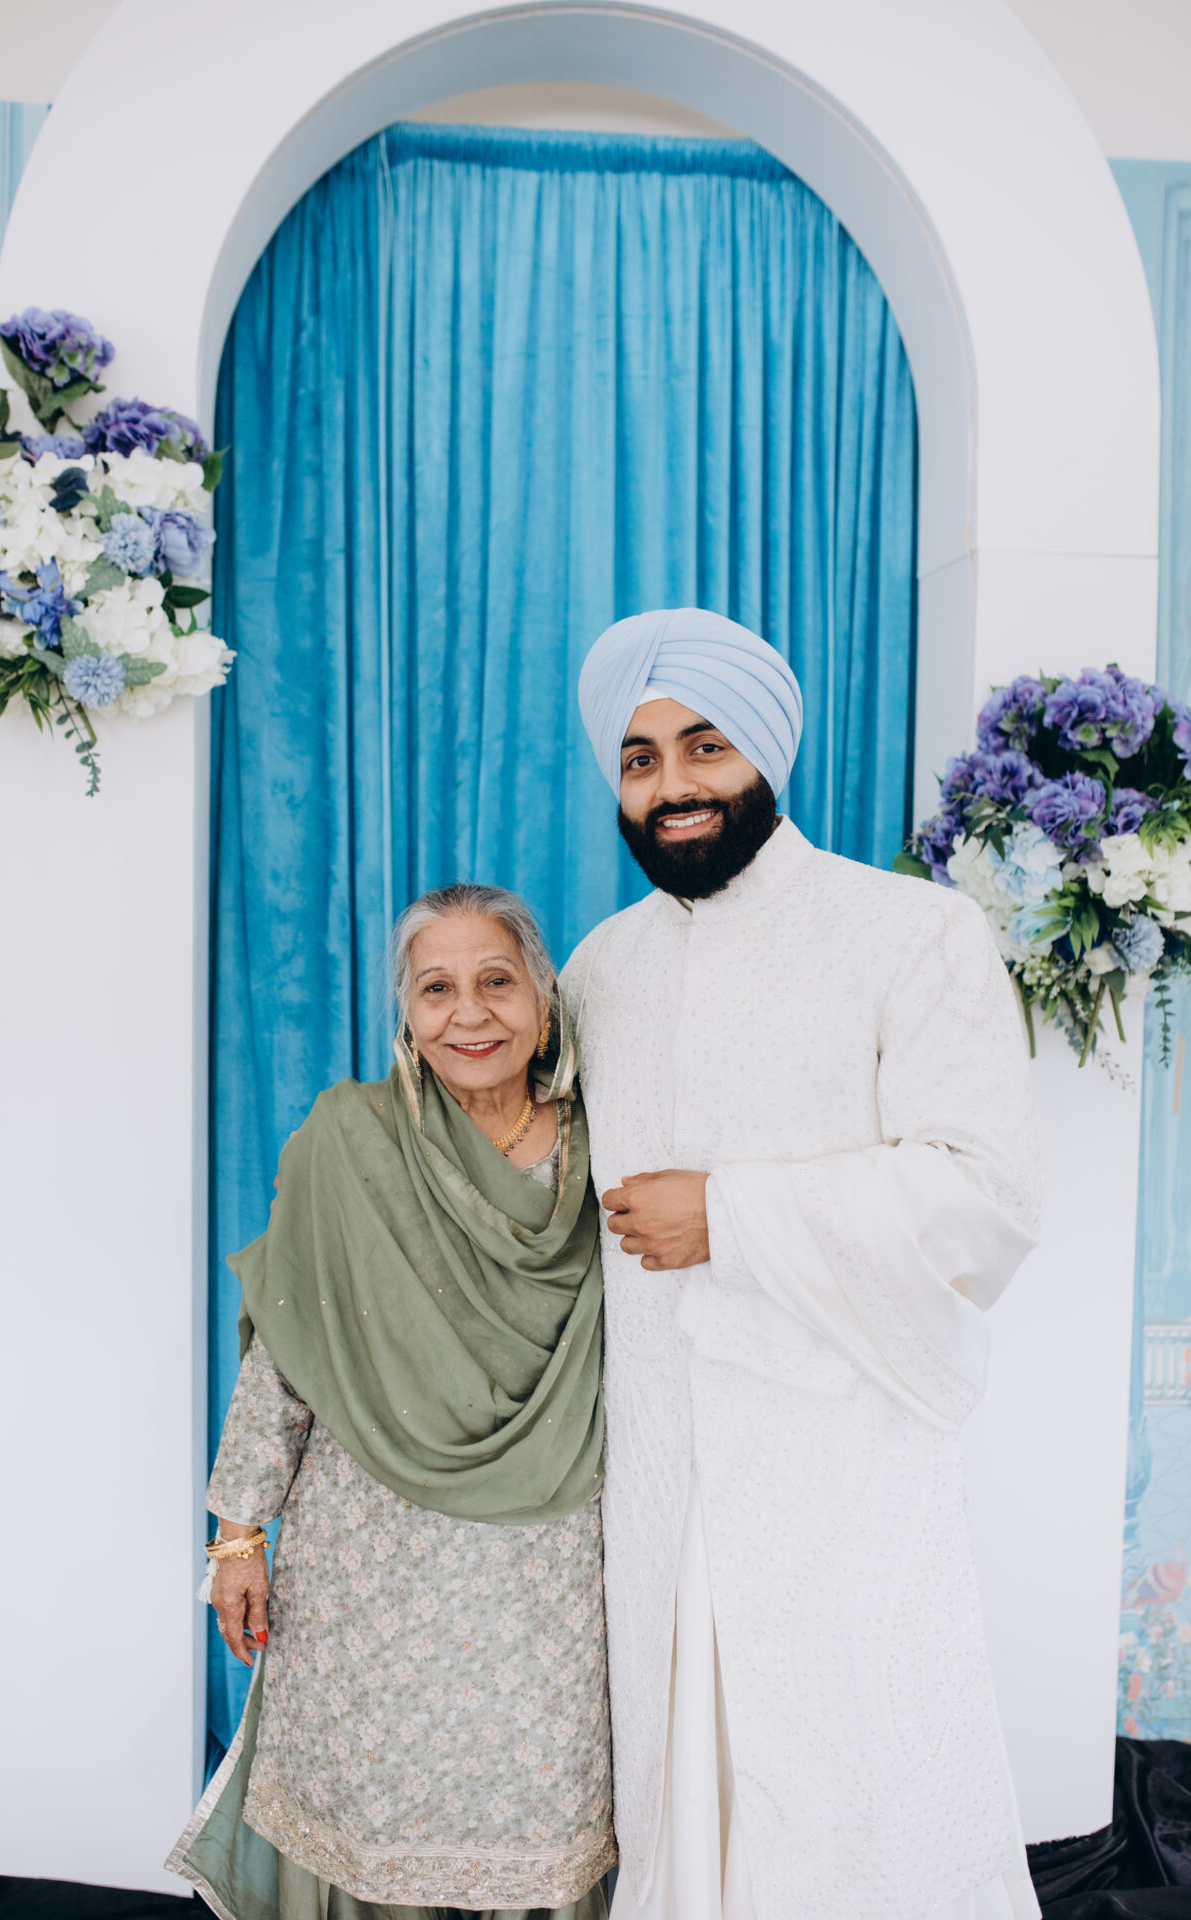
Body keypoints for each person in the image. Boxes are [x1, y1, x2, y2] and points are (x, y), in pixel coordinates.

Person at [562, 608, 1043, 1920]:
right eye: (640, 759)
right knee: (683, 1794)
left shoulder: (911, 934)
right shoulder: (601, 969)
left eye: (703, 747)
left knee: (860, 1794)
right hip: (656, 1466)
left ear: (765, 755)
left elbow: (987, 1195)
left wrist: (732, 1214)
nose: (672, 785)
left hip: (841, 1465)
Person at [168, 884, 614, 1920]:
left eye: (496, 982)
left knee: (538, 1822)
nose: (470, 1015)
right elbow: (283, 1356)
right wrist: (238, 1538)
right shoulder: (349, 1139)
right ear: (405, 1011)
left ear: (543, 999)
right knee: (365, 1812)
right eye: (436, 989)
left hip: (544, 1565)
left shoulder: (609, 1146)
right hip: (367, 1558)